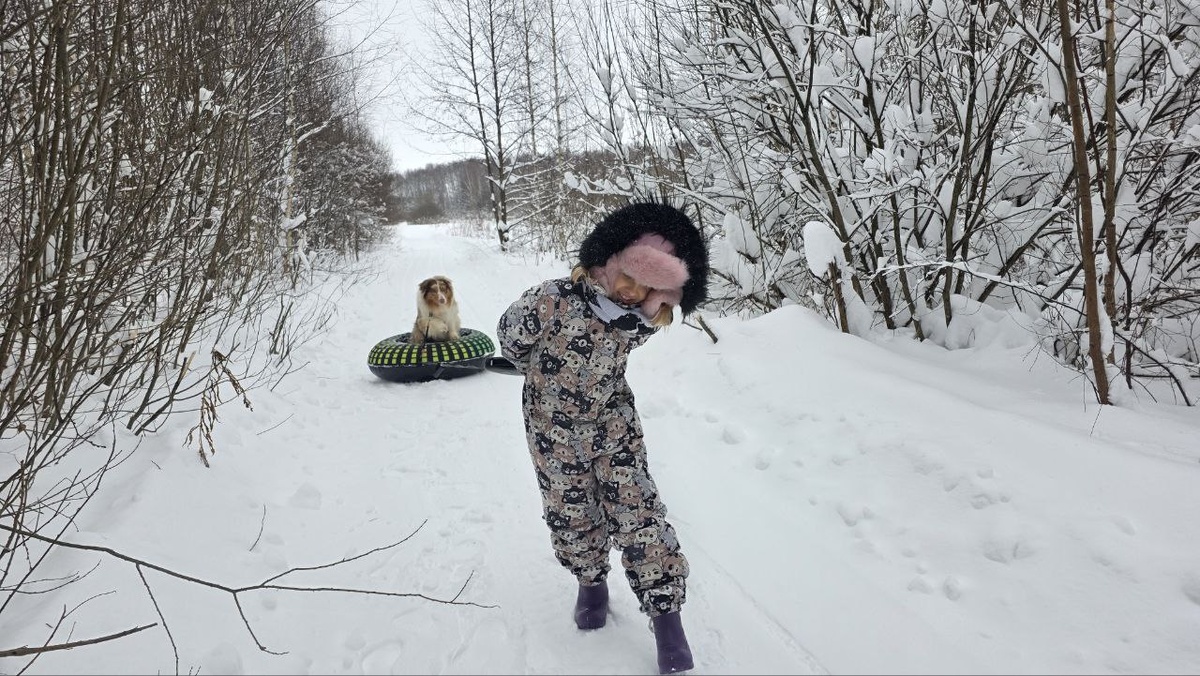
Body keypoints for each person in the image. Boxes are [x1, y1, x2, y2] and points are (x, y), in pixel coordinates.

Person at [496, 201, 709, 675]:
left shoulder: (639, 322)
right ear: (607, 261)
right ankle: (590, 582)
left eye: (651, 289)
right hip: (552, 426)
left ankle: (667, 618)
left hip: (614, 423)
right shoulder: (553, 297)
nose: (633, 293)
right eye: (628, 277)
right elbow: (511, 338)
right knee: (570, 507)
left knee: (639, 511)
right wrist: (531, 368)